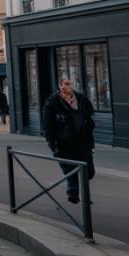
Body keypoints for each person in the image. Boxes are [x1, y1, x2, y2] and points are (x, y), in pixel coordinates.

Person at [42, 77, 96, 205]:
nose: (68, 86)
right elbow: (47, 126)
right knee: (71, 171)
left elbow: (91, 115)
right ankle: (76, 195)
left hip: (83, 142)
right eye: (65, 84)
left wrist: (90, 126)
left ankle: (74, 193)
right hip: (64, 144)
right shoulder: (52, 102)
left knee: (89, 172)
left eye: (70, 84)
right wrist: (53, 145)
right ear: (60, 86)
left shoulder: (81, 99)